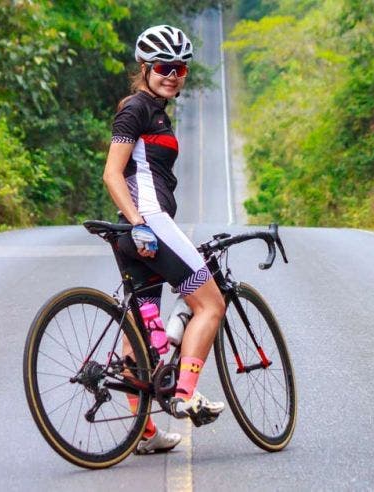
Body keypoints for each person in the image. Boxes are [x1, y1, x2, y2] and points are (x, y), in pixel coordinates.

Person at [103, 25, 226, 455]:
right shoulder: (136, 109)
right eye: (163, 67)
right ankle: (186, 394)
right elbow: (112, 173)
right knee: (210, 304)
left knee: (137, 333)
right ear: (145, 68)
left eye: (180, 69)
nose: (172, 74)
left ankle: (144, 435)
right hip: (150, 226)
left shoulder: (156, 110)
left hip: (136, 232)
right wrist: (139, 223)